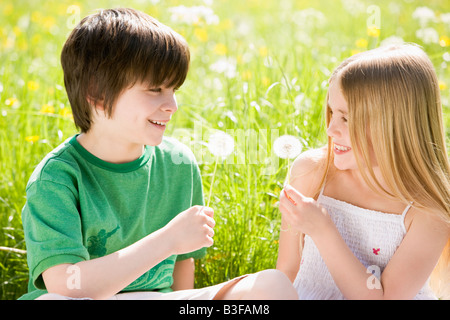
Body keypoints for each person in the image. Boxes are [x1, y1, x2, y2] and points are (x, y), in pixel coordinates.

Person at [19, 8, 297, 300]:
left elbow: (182, 269)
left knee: (272, 288)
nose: (172, 105)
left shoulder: (178, 163)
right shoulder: (57, 178)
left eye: (174, 89)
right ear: (97, 94)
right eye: (155, 89)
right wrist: (168, 240)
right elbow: (67, 285)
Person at [277, 44, 450, 300]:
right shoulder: (311, 173)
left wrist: (323, 230)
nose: (331, 130)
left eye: (346, 119)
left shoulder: (428, 210)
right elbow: (287, 272)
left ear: (394, 126)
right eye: (332, 113)